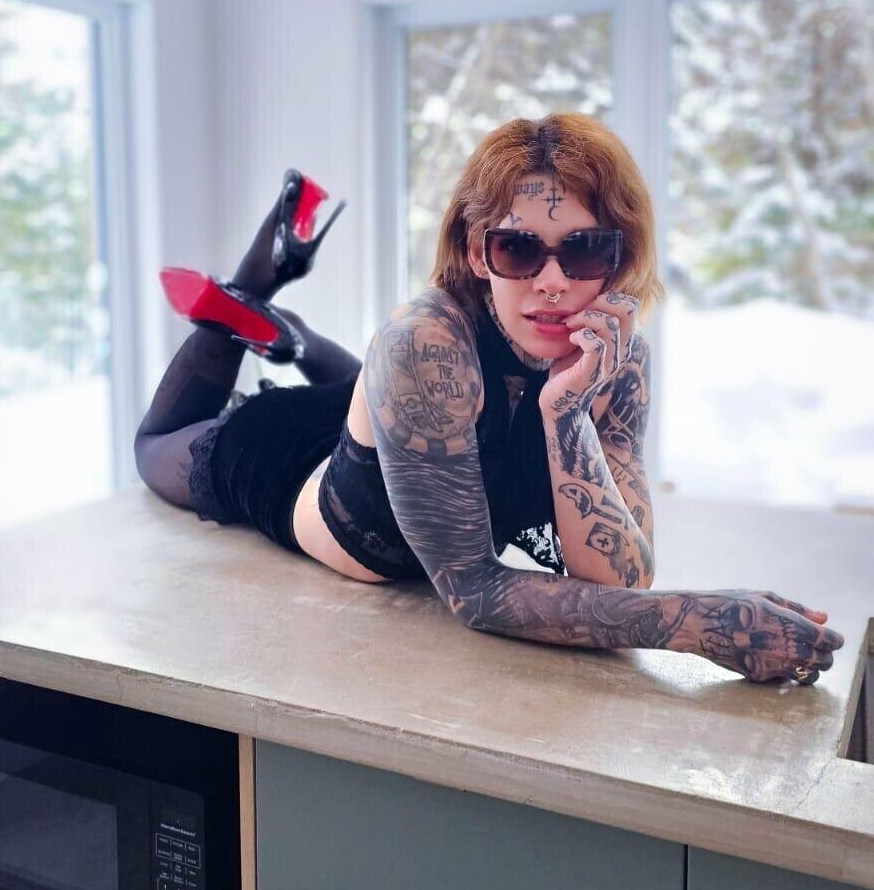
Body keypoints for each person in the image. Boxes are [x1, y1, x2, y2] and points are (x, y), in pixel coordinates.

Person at [134, 113, 844, 687]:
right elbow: (473, 589)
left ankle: (294, 338)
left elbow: (622, 573)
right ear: (477, 253)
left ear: (619, 259)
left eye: (584, 250)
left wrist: (566, 413)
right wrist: (699, 623)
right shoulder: (424, 346)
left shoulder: (618, 356)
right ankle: (251, 289)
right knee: (154, 447)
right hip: (292, 462)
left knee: (394, 390)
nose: (553, 282)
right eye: (518, 250)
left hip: (413, 424)